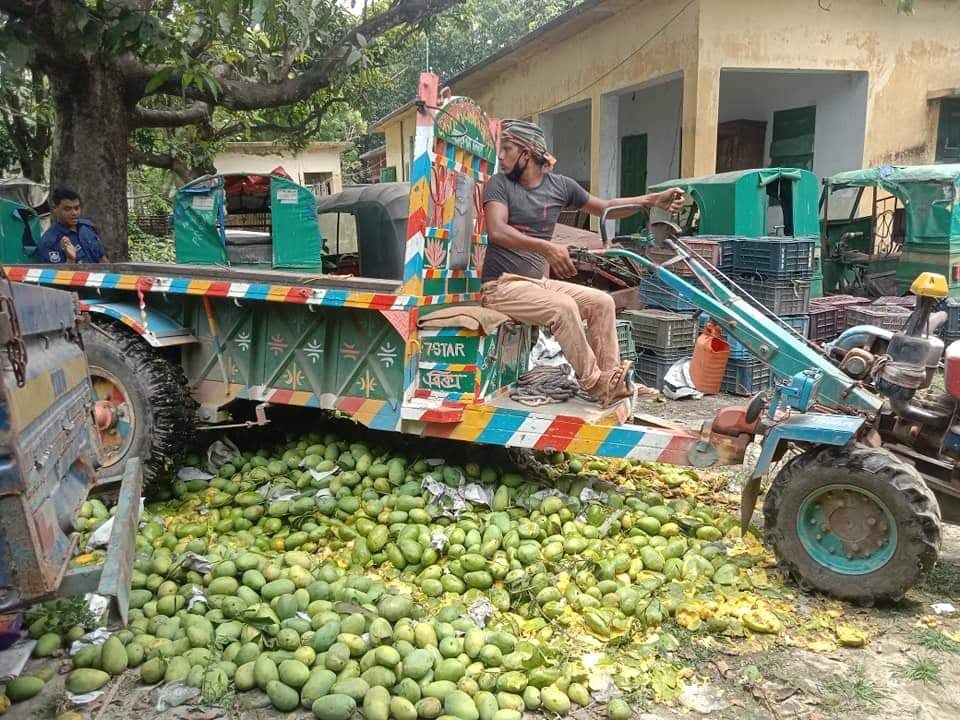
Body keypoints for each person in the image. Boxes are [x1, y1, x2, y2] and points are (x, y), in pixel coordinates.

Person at [481, 119, 684, 406]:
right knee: (563, 307)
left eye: (508, 148)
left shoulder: (561, 186)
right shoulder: (499, 185)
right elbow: (497, 230)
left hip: (538, 284)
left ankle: (613, 379)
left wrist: (652, 200)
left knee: (602, 301)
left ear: (528, 153)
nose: (500, 156)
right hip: (501, 286)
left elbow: (607, 209)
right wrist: (547, 247)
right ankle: (595, 384)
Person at [38, 187, 109, 264]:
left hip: (100, 274)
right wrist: (70, 259)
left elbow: (103, 259)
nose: (74, 213)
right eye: (68, 209)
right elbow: (58, 275)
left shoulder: (87, 227)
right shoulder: (49, 241)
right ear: (55, 209)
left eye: (76, 208)